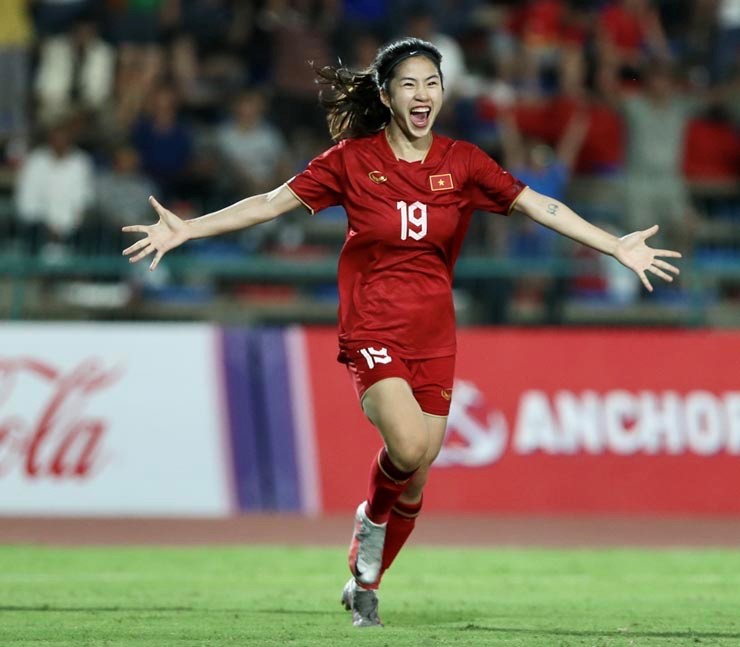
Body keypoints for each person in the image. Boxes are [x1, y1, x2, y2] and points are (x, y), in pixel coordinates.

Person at [122, 37, 681, 628]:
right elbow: (268, 203)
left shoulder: (463, 162)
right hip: (371, 326)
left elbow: (540, 205)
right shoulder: (350, 161)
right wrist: (189, 229)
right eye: (410, 83)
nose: (423, 94)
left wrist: (614, 245)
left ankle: (366, 580)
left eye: (432, 83)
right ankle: (369, 523)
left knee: (416, 477)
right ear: (387, 96)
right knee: (409, 447)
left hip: (434, 333)